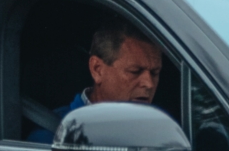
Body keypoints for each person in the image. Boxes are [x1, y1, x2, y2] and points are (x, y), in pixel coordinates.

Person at [28, 21, 164, 143]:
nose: (149, 83)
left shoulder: (162, 132)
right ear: (97, 69)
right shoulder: (52, 139)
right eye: (135, 71)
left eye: (155, 73)